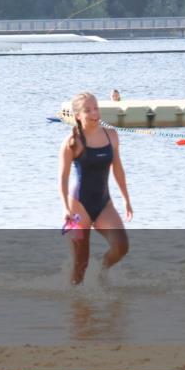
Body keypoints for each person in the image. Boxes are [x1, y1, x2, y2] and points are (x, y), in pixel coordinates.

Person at [59, 92, 133, 285]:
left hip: (103, 203)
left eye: (96, 108)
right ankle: (76, 306)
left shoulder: (111, 135)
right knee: (79, 267)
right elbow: (63, 178)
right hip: (78, 206)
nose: (94, 113)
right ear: (77, 116)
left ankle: (100, 270)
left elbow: (118, 169)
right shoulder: (72, 142)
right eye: (88, 110)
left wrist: (126, 198)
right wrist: (65, 209)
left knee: (121, 246)